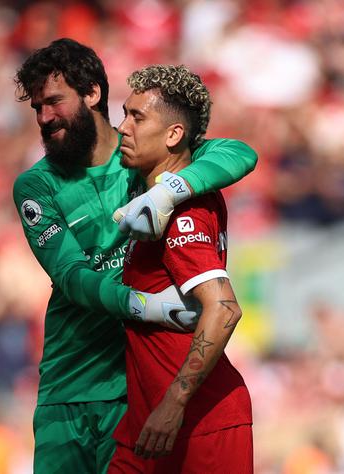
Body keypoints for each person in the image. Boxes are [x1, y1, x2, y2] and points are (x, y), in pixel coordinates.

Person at [12, 38, 257, 473]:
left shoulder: (146, 157)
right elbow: (70, 276)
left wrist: (170, 189)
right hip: (68, 382)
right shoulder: (36, 186)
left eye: (53, 101)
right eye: (37, 108)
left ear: (91, 93)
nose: (44, 118)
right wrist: (143, 306)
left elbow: (240, 153)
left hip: (134, 388)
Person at [108, 65, 252, 473]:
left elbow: (224, 309)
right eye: (124, 113)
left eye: (137, 117)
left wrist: (174, 403)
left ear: (173, 135)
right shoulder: (150, 197)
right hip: (146, 422)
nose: (123, 127)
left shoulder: (184, 211)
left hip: (199, 422)